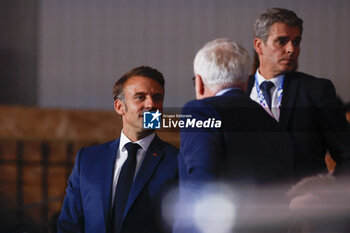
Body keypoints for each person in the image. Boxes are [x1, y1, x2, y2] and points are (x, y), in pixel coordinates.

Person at [174, 39, 295, 233]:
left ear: (199, 82)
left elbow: (201, 187)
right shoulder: (275, 126)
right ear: (247, 81)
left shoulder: (200, 111)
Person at [57, 66, 178, 233]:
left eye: (157, 98)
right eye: (140, 97)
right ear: (120, 107)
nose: (151, 104)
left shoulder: (177, 160)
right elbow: (69, 225)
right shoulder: (87, 160)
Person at [247, 8, 350, 179]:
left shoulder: (316, 91)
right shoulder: (237, 91)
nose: (291, 49)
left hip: (304, 201)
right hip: (249, 201)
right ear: (259, 45)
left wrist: (322, 193)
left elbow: (347, 156)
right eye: (282, 41)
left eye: (296, 42)